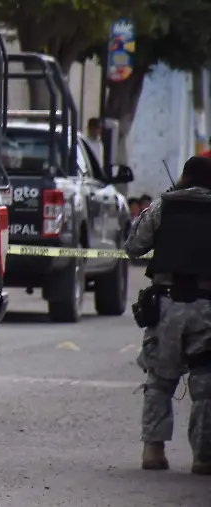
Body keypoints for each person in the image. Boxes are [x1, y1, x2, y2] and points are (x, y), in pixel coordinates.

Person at [125, 154, 211, 475]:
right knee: (205, 385)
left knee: (160, 381)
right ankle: (204, 457)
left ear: (184, 177)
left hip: (166, 306)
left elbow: (134, 245)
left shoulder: (164, 206)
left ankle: (153, 450)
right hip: (207, 310)